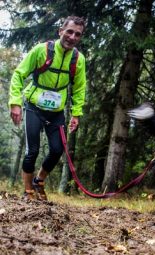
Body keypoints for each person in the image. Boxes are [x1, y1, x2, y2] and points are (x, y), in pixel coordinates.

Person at [8, 16, 86, 201]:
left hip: (56, 111)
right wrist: (15, 103)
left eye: (77, 34)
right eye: (69, 31)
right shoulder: (41, 50)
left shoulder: (78, 59)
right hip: (34, 107)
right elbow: (19, 74)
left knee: (57, 150)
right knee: (32, 151)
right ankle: (28, 192)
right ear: (60, 31)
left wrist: (76, 113)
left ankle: (39, 181)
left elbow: (79, 88)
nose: (72, 37)